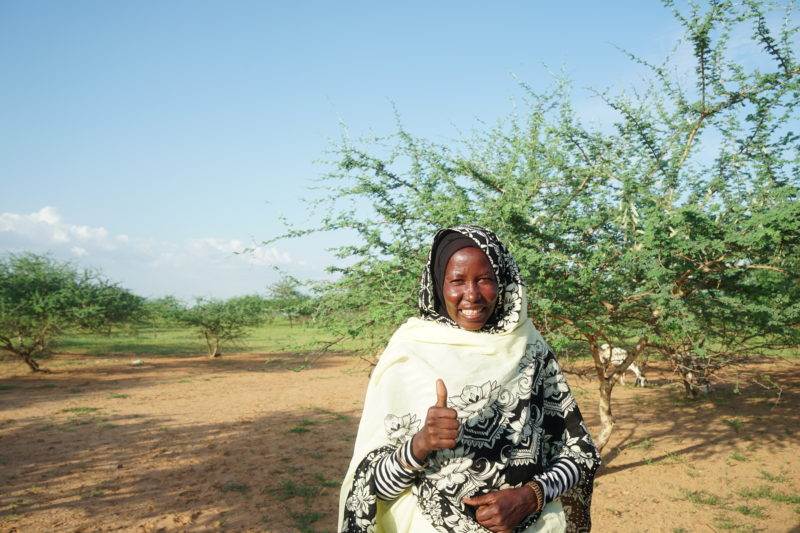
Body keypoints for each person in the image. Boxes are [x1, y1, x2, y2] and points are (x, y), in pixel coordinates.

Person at [339, 226, 600, 533]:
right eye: (457, 281)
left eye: (485, 279)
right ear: (438, 285)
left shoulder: (530, 349)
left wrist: (530, 497)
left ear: (502, 281)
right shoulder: (409, 355)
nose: (472, 295)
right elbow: (371, 490)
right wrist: (421, 443)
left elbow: (581, 454)